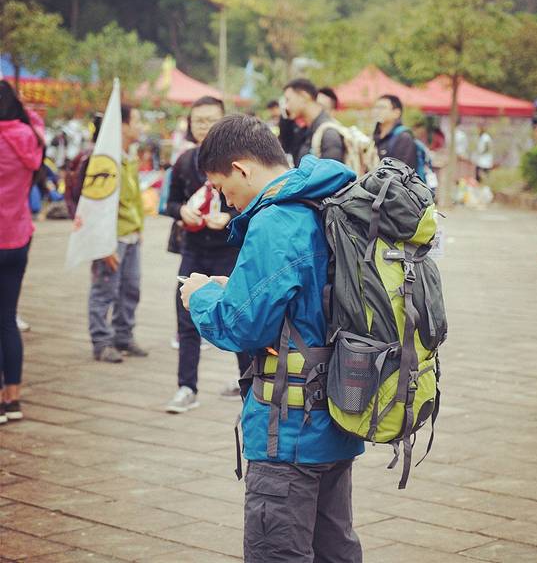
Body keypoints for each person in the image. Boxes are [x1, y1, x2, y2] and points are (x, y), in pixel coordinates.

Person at [180, 114, 364, 562]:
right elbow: (307, 298)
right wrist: (237, 290)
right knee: (334, 550)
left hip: (290, 432)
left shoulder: (277, 221)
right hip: (340, 414)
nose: (227, 200)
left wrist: (200, 297)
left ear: (241, 169)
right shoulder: (328, 197)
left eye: (222, 187)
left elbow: (242, 326)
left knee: (278, 552)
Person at [164, 97, 250, 412]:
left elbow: (254, 204)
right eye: (198, 120)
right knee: (186, 318)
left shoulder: (239, 162)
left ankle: (249, 385)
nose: (204, 126)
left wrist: (229, 217)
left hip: (229, 249)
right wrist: (181, 211)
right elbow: (169, 202)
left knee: (240, 315)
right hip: (194, 248)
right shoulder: (185, 161)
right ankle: (186, 387)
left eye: (211, 119)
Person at [0, 80, 45, 423]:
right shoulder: (29, 136)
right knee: (7, 319)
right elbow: (37, 123)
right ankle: (12, 399)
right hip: (18, 239)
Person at [88, 105, 148, 363]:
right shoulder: (106, 161)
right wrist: (103, 243)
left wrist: (139, 228)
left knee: (130, 288)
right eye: (136, 120)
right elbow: (97, 204)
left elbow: (134, 199)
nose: (140, 126)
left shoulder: (128, 158)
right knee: (105, 290)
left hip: (131, 235)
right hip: (111, 238)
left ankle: (123, 336)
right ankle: (101, 341)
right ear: (122, 125)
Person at [283, 78, 344, 166]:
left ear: (304, 96)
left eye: (288, 100)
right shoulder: (306, 131)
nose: (287, 107)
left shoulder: (328, 133)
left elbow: (332, 173)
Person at [372, 94, 418, 169]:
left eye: (382, 108)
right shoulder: (374, 137)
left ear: (396, 113)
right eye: (376, 107)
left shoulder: (404, 138)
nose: (377, 111)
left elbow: (401, 171)